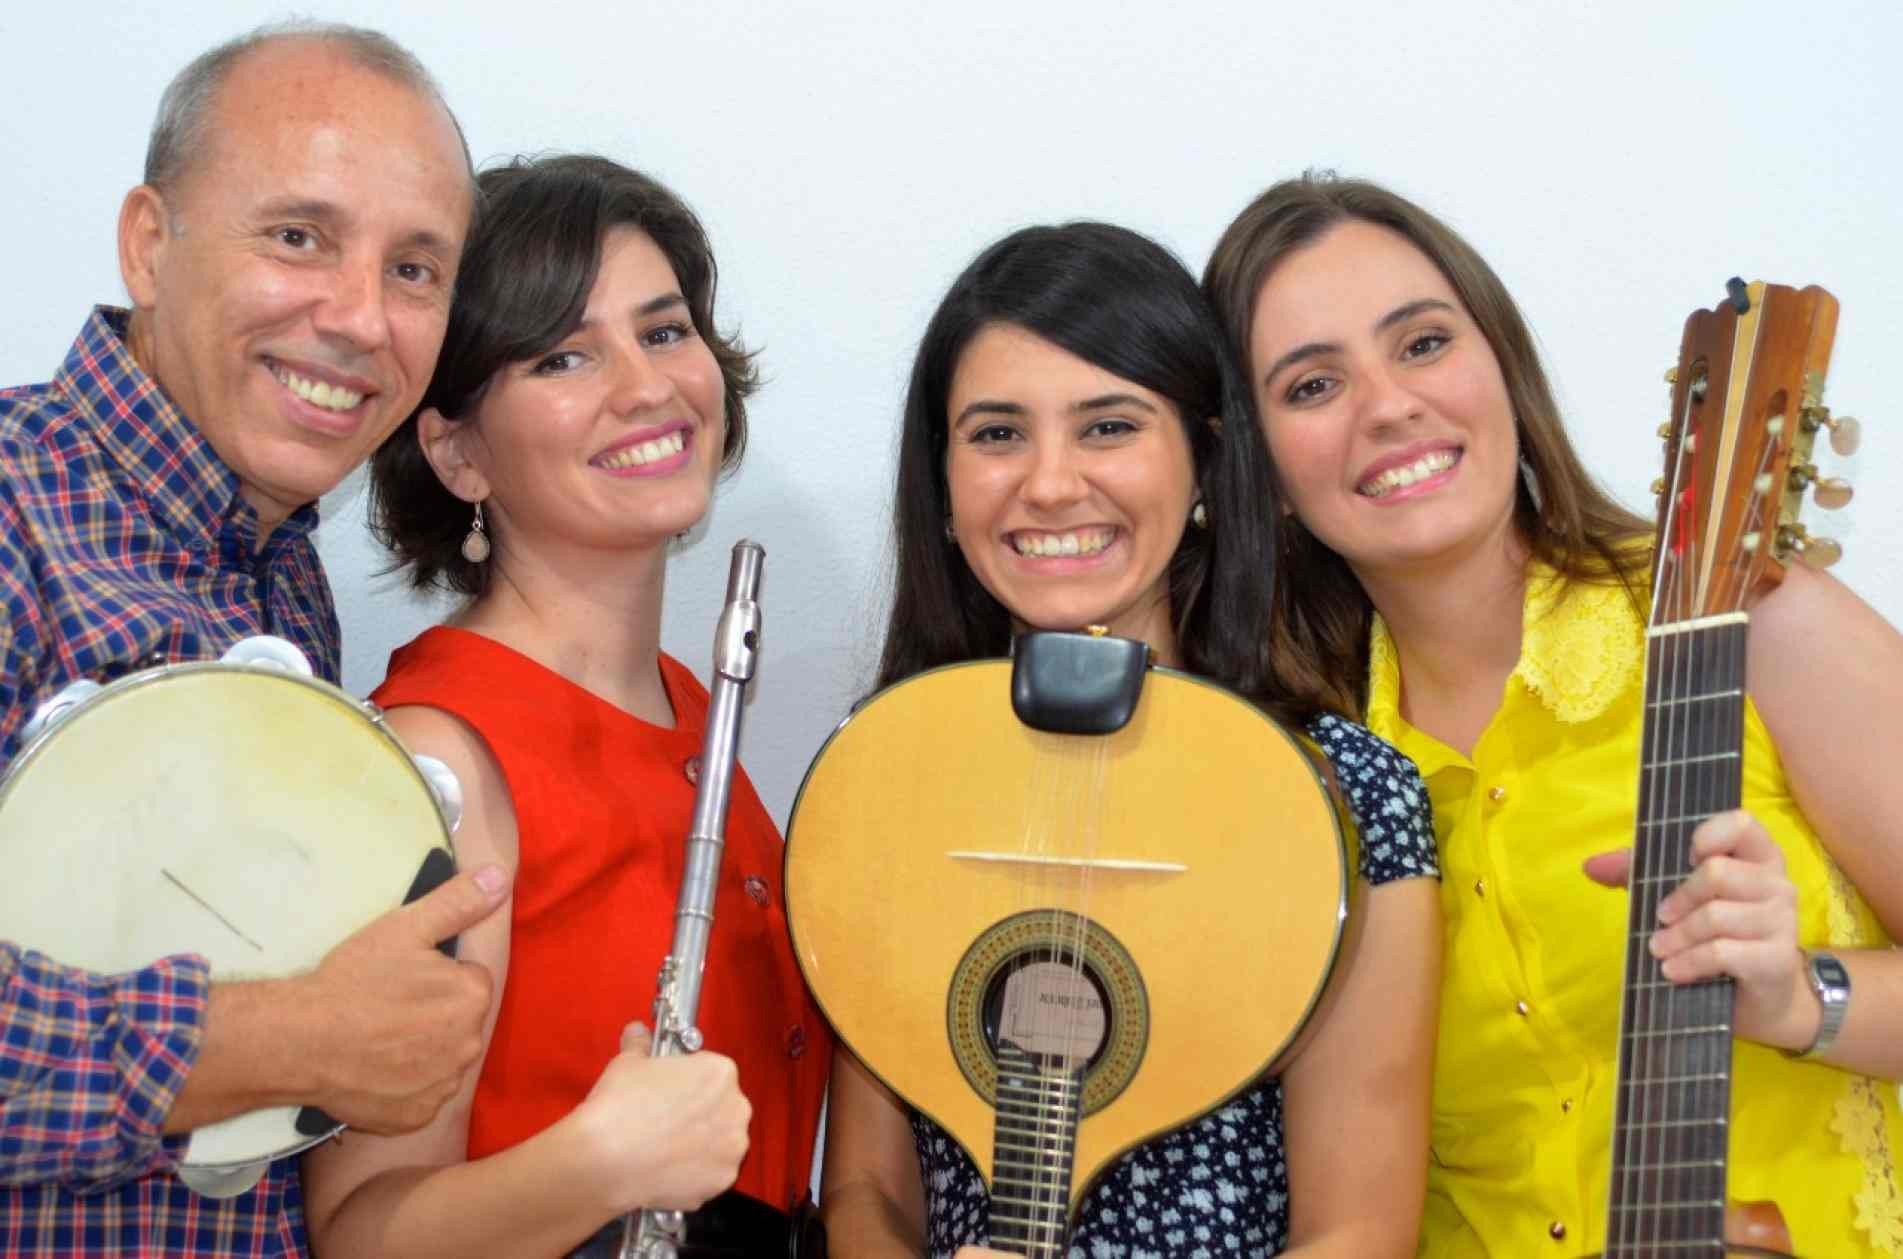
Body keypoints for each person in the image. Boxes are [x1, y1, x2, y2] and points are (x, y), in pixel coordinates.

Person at [1203, 172, 1903, 1256]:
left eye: (1422, 343)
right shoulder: (1298, 781)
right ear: (1260, 467)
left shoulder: (1752, 622)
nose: (1387, 405)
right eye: (1312, 385)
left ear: (1504, 366)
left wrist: (1798, 997)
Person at [820, 222, 1440, 1259]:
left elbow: (1360, 1229)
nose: (1050, 483)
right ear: (941, 484)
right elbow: (863, 1191)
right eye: (997, 433)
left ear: (1204, 463)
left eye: (1108, 426)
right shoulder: (883, 773)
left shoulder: (1347, 790)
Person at [0, 22, 508, 1259]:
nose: (360, 317)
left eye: (414, 269)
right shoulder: (13, 505)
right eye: (298, 237)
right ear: (149, 244)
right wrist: (291, 1040)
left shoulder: (280, 574)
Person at [300, 153, 832, 1258]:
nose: (645, 387)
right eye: (564, 356)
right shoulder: (440, 759)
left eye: (664, 330)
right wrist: (597, 1164)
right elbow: (359, 1228)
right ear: (456, 451)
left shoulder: (690, 709)